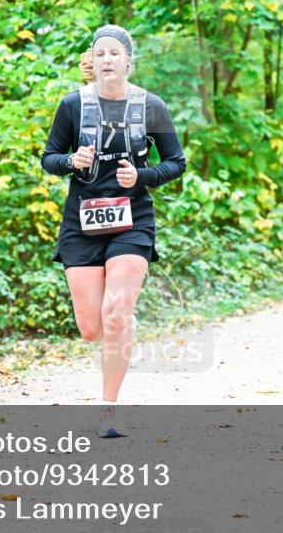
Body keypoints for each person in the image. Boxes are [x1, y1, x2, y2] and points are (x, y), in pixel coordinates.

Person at [42, 25, 186, 438]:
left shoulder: (151, 106)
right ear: (93, 60)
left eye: (115, 53)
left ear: (128, 61)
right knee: (92, 328)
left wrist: (141, 176)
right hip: (82, 223)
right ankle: (121, 324)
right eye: (100, 53)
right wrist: (71, 161)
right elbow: (49, 158)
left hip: (132, 219)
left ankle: (109, 410)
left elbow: (176, 162)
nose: (107, 59)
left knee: (116, 313)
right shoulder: (73, 105)